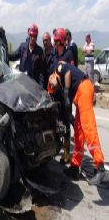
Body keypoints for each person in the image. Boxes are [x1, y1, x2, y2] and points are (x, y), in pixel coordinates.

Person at [48, 63, 107, 185]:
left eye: (54, 86)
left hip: (83, 89)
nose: (56, 88)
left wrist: (66, 92)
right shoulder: (60, 78)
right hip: (80, 93)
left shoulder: (58, 68)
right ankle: (75, 167)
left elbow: (68, 72)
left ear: (53, 77)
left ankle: (100, 167)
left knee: (88, 127)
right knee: (79, 132)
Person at [52, 28, 75, 164]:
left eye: (56, 41)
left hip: (65, 96)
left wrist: (67, 95)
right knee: (57, 123)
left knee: (66, 124)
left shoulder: (69, 55)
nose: (54, 43)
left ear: (61, 41)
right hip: (56, 95)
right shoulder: (55, 56)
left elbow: (71, 73)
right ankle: (57, 147)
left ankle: (67, 154)